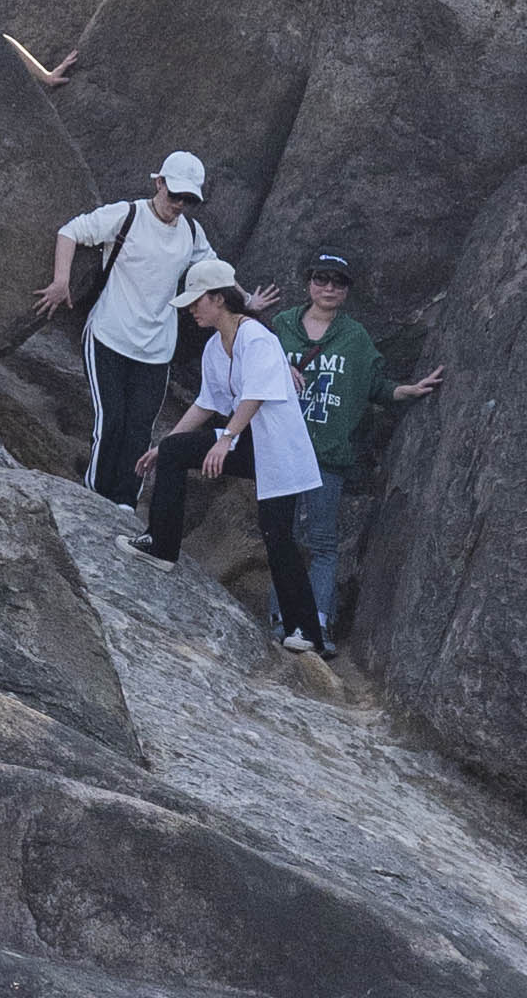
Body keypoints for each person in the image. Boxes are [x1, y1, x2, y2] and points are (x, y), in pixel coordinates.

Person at [145, 271, 332, 652]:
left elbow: (257, 395)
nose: (192, 310)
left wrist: (225, 440)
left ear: (218, 299)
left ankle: (309, 633)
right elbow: (206, 402)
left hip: (277, 450)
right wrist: (164, 444)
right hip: (247, 442)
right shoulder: (216, 347)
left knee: (277, 536)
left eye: (197, 302)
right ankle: (161, 545)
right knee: (176, 453)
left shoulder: (256, 338)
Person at [285, 245, 437, 659]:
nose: (328, 288)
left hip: (327, 454)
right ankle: (283, 618)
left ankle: (314, 622)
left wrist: (410, 390)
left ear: (347, 290)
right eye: (321, 278)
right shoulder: (282, 326)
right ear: (308, 282)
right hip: (281, 449)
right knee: (282, 538)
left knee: (321, 541)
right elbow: (246, 363)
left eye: (338, 282)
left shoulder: (354, 337)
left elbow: (377, 386)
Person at [38, 151, 215, 496]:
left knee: (140, 428)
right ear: (158, 183)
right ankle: (95, 495)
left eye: (188, 199)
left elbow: (213, 269)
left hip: (158, 348)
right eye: (174, 194)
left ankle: (124, 503)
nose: (179, 203)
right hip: (110, 335)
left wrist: (247, 302)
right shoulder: (127, 215)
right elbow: (71, 231)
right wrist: (62, 281)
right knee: (111, 420)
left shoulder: (192, 232)